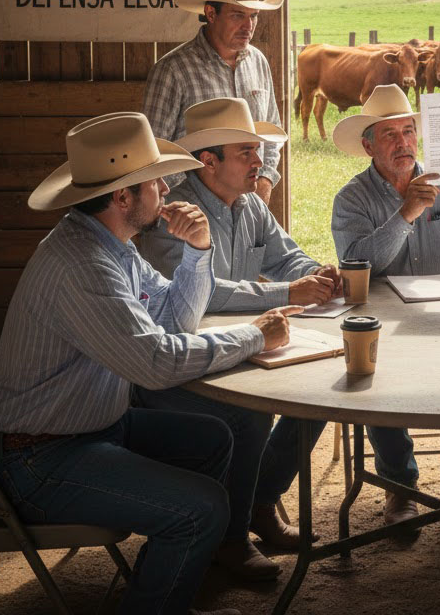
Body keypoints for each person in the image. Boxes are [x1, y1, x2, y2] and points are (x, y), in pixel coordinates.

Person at [0, 112, 300, 615]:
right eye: (156, 181)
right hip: (37, 461)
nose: (168, 188)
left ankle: (168, 581)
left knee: (213, 440)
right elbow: (155, 364)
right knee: (202, 507)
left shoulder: (107, 244)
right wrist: (253, 337)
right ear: (124, 197)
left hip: (88, 431)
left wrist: (198, 251)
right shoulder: (83, 266)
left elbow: (174, 318)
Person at [137, 97, 341, 579]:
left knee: (316, 396)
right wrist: (288, 290)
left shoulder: (250, 204)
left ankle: (260, 501)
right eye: (247, 152)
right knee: (247, 416)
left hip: (244, 344)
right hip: (185, 359)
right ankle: (231, 536)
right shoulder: (175, 212)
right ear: (209, 162)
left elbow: (286, 255)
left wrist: (316, 273)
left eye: (258, 150)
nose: (260, 161)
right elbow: (201, 293)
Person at [331, 84, 440, 532]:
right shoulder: (351, 198)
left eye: (408, 131)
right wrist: (405, 214)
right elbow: (357, 262)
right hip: (386, 321)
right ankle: (400, 484)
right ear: (367, 145)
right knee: (369, 375)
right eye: (389, 134)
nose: (402, 143)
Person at [143, 0, 284, 204]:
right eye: (238, 15)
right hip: (189, 210)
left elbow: (272, 136)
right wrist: (187, 203)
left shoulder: (258, 62)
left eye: (253, 16)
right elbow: (153, 154)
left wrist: (265, 182)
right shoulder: (173, 70)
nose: (248, 26)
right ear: (211, 13)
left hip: (250, 205)